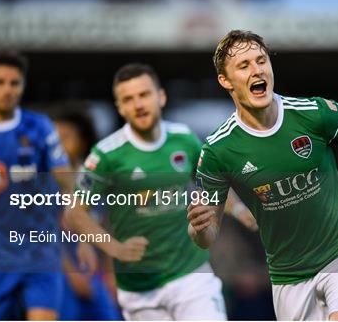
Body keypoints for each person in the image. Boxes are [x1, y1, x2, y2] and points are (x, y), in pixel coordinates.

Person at [188, 30, 338, 321]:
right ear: (225, 81)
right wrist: (199, 229)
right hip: (289, 276)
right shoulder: (218, 150)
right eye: (244, 66)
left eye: (261, 61)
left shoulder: (313, 113)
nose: (257, 70)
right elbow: (208, 234)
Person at [65, 63, 256, 320]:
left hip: (190, 274)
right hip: (140, 288)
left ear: (161, 96)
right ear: (120, 107)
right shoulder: (106, 155)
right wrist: (116, 249)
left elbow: (212, 185)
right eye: (129, 99)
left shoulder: (184, 139)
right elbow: (75, 213)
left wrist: (241, 210)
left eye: (144, 95)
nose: (138, 104)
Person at [0, 50, 71, 320]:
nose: (7, 90)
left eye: (14, 83)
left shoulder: (39, 127)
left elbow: (66, 179)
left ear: (22, 86)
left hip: (40, 257)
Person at [53, 110, 122, 321]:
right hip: (59, 277)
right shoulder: (42, 185)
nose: (58, 145)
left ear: (82, 142)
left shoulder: (96, 183)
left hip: (95, 278)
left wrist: (111, 274)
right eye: (53, 140)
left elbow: (109, 231)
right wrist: (71, 273)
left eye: (65, 137)